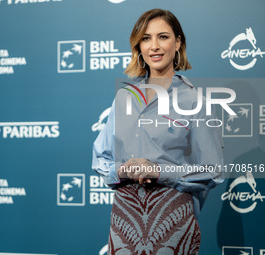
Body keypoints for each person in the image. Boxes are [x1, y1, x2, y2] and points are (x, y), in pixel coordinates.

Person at [92, 9, 224, 255]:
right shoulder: (124, 98)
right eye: (146, 38)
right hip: (124, 221)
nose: (154, 46)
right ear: (138, 46)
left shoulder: (195, 100)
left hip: (172, 222)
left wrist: (161, 172)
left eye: (163, 37)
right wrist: (121, 170)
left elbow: (212, 170)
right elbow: (100, 158)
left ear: (178, 42)